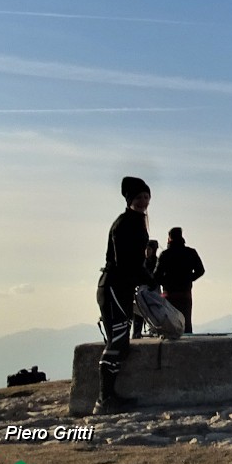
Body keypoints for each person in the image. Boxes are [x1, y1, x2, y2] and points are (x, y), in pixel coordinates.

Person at [95, 176, 151, 414]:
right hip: (115, 287)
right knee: (117, 342)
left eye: (146, 197)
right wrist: (148, 278)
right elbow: (125, 261)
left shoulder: (136, 221)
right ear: (129, 199)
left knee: (121, 343)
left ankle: (110, 396)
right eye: (139, 198)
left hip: (121, 287)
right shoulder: (126, 223)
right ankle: (104, 400)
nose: (143, 202)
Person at [153, 227, 205, 334]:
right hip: (185, 294)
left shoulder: (165, 255)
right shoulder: (191, 252)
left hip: (168, 296)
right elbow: (201, 270)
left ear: (169, 238)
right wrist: (189, 279)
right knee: (186, 324)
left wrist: (166, 282)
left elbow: (156, 276)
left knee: (169, 325)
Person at [132, 240, 160, 339]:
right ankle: (136, 333)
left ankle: (154, 332)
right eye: (146, 249)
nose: (147, 251)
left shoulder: (157, 262)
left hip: (153, 293)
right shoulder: (141, 262)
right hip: (142, 292)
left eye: (149, 249)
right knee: (139, 314)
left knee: (154, 314)